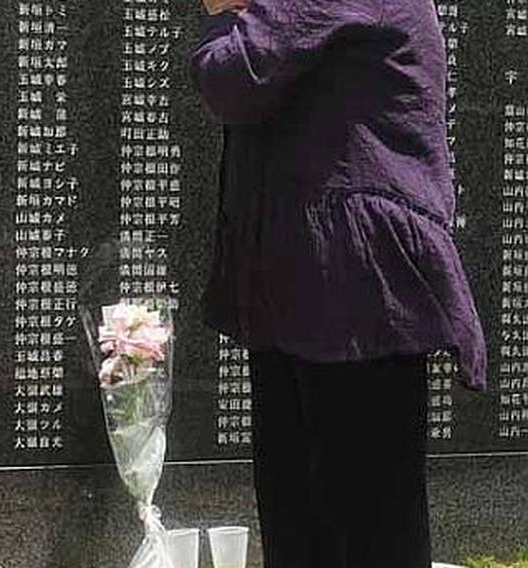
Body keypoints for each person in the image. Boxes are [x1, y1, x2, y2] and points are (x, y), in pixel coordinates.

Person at [188, 0, 487, 567]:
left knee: (358, 530)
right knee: (311, 524)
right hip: (310, 286)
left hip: (351, 288)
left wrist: (224, 11)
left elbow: (231, 77)